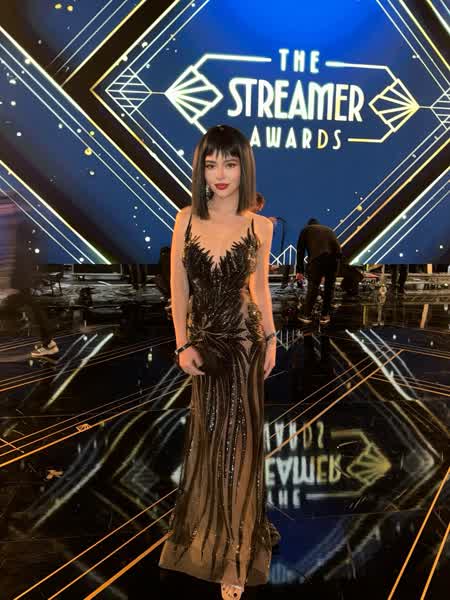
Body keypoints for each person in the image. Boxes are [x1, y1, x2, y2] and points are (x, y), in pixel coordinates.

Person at [158, 125, 279, 599]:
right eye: (211, 165)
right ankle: (211, 528)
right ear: (201, 169)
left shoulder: (261, 226)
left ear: (244, 167)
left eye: (230, 163)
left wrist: (271, 339)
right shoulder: (186, 217)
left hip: (245, 342)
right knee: (210, 439)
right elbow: (179, 284)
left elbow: (260, 288)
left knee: (240, 443)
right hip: (204, 344)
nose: (220, 174)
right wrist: (181, 344)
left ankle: (236, 554)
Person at [0, 192, 58, 358]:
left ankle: (49, 344)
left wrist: (14, 284)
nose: (2, 209)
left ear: (13, 206)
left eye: (4, 205)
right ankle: (49, 343)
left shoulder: (22, 226)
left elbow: (25, 256)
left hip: (21, 279)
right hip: (17, 280)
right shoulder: (13, 225)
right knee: (32, 309)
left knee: (32, 309)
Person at [295, 218, 341, 324]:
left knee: (313, 286)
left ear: (308, 225)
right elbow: (337, 248)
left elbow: (300, 251)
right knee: (329, 287)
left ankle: (306, 315)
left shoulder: (306, 230)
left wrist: (300, 270)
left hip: (318, 259)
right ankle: (325, 316)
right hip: (335, 259)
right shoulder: (328, 229)